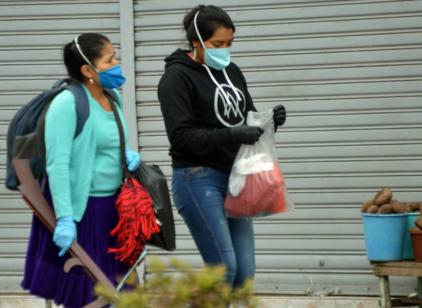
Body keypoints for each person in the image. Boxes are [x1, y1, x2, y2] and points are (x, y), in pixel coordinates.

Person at [157, 5, 286, 289]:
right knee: (223, 270)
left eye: (229, 44)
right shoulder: (176, 78)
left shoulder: (232, 71)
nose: (225, 51)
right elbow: (180, 137)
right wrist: (230, 135)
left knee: (244, 275)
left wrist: (268, 120)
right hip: (197, 177)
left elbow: (246, 116)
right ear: (197, 42)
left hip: (236, 177)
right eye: (218, 44)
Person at [20, 33, 141, 308]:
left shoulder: (112, 98)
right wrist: (64, 219)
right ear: (88, 70)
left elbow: (108, 141)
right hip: (84, 213)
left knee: (124, 294)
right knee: (90, 296)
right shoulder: (66, 104)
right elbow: (57, 164)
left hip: (115, 209)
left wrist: (126, 154)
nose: (117, 64)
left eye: (115, 57)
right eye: (109, 60)